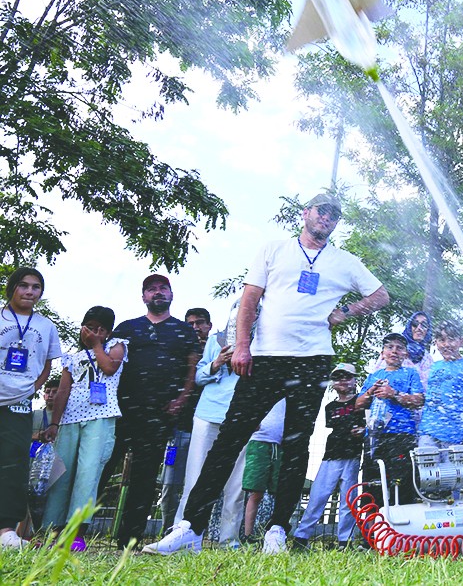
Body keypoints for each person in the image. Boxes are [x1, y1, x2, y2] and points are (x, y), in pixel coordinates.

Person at [145, 192, 390, 555]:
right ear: (306, 213)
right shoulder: (274, 250)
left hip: (313, 360)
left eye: (334, 215)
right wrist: (242, 346)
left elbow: (381, 296)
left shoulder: (344, 261)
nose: (327, 218)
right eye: (322, 210)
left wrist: (347, 311)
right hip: (266, 358)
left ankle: (277, 529)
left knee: (296, 445)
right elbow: (249, 299)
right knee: (229, 439)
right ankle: (191, 528)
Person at [102, 273, 200, 549]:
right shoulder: (127, 327)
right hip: (122, 411)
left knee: (145, 479)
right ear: (143, 296)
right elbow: (110, 366)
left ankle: (129, 540)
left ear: (171, 294)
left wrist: (181, 398)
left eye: (163, 288)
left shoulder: (183, 331)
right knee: (102, 468)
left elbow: (192, 368)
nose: (158, 293)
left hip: (159, 414)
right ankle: (76, 532)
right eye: (151, 289)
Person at [42, 306, 126, 551]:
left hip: (100, 417)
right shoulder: (72, 357)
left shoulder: (116, 347)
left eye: (100, 329)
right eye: (89, 328)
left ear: (109, 332)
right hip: (68, 420)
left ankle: (77, 532)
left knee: (88, 473)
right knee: (61, 475)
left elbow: (110, 368)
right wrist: (55, 423)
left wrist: (97, 345)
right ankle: (51, 531)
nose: (93, 332)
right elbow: (63, 391)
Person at [172, 314, 248, 549]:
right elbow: (199, 376)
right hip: (208, 414)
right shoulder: (216, 340)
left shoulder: (262, 342)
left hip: (242, 414)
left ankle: (229, 540)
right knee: (194, 477)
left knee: (235, 484)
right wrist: (217, 362)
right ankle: (182, 533)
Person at [0, 268, 62, 549]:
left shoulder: (46, 326)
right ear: (11, 287)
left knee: (14, 462)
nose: (29, 291)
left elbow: (48, 362)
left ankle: (6, 532)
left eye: (36, 287)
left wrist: (34, 387)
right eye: (23, 285)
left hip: (21, 401)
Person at [293, 363, 365, 549]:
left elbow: (364, 425)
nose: (342, 381)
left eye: (347, 377)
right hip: (331, 456)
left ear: (354, 380)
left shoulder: (362, 402)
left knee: (348, 499)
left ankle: (345, 540)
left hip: (352, 456)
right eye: (338, 377)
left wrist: (362, 430)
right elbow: (338, 424)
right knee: (318, 496)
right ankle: (302, 537)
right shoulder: (331, 406)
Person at [160, 307, 214, 528]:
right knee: (171, 483)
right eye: (190, 323)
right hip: (180, 427)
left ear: (209, 325)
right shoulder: (179, 350)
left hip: (210, 424)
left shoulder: (217, 349)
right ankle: (167, 529)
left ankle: (197, 530)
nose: (196, 327)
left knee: (205, 482)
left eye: (200, 322)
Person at [358, 332, 424, 504]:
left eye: (399, 348)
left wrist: (393, 393)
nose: (394, 351)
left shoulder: (411, 373)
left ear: (405, 354)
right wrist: (371, 391)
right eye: (389, 347)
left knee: (402, 481)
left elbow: (419, 400)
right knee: (371, 482)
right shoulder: (374, 376)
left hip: (401, 435)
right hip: (374, 435)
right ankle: (373, 528)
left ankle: (402, 528)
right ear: (382, 353)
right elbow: (358, 404)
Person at [418, 322, 463, 449]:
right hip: (427, 432)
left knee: (453, 469)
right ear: (436, 342)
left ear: (461, 341)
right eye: (441, 340)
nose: (446, 344)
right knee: (427, 468)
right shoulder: (434, 367)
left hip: (456, 435)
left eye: (451, 339)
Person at [242, 399, 286, 538]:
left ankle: (272, 534)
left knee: (279, 492)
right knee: (256, 493)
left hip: (280, 444)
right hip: (258, 441)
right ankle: (248, 535)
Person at [402, 311, 433, 393]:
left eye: (424, 325)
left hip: (415, 403)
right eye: (415, 324)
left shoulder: (428, 358)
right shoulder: (395, 349)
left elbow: (428, 389)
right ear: (409, 327)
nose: (419, 328)